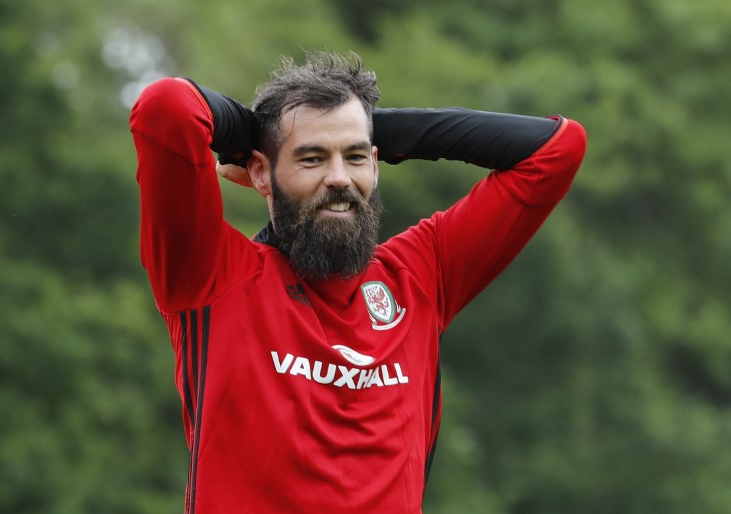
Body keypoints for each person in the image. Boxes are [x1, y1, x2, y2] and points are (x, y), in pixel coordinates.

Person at [130, 51, 586, 513]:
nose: (338, 178)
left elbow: (556, 149)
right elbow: (166, 107)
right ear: (261, 173)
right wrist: (255, 132)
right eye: (311, 158)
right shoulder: (211, 273)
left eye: (353, 157)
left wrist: (368, 125)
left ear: (376, 162)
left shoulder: (421, 275)